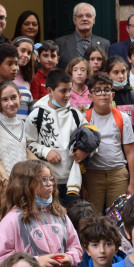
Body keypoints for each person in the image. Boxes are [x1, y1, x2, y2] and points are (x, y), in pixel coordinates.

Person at [0, 160, 83, 267]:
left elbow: (76, 248)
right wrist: (35, 263)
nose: (50, 184)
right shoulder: (12, 220)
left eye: (51, 179)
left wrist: (69, 258)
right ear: (25, 184)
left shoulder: (60, 215)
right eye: (43, 180)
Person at [79, 72, 134, 215]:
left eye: (106, 90)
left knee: (117, 218)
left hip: (118, 174)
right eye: (98, 90)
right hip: (93, 175)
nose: (103, 94)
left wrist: (133, 183)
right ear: (90, 96)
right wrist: (82, 186)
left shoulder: (122, 117)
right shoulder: (84, 119)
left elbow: (130, 152)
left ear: (112, 95)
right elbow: (78, 156)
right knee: (93, 217)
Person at [27, 68, 84, 205]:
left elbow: (91, 137)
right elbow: (28, 144)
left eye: (70, 90)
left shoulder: (75, 115)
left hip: (72, 182)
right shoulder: (36, 116)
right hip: (46, 182)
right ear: (49, 91)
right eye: (63, 91)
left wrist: (84, 151)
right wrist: (46, 152)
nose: (68, 95)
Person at [55, 2, 111, 69]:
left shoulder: (104, 44)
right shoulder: (61, 43)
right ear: (74, 20)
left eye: (88, 15)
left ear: (94, 20)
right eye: (80, 16)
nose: (84, 19)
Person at [0, 43, 33, 119]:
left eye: (16, 64)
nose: (15, 68)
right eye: (9, 64)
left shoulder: (26, 93)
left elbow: (31, 124)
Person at [106, 56, 134, 127]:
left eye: (123, 72)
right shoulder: (103, 96)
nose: (121, 76)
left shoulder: (133, 96)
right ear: (108, 74)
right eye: (116, 73)